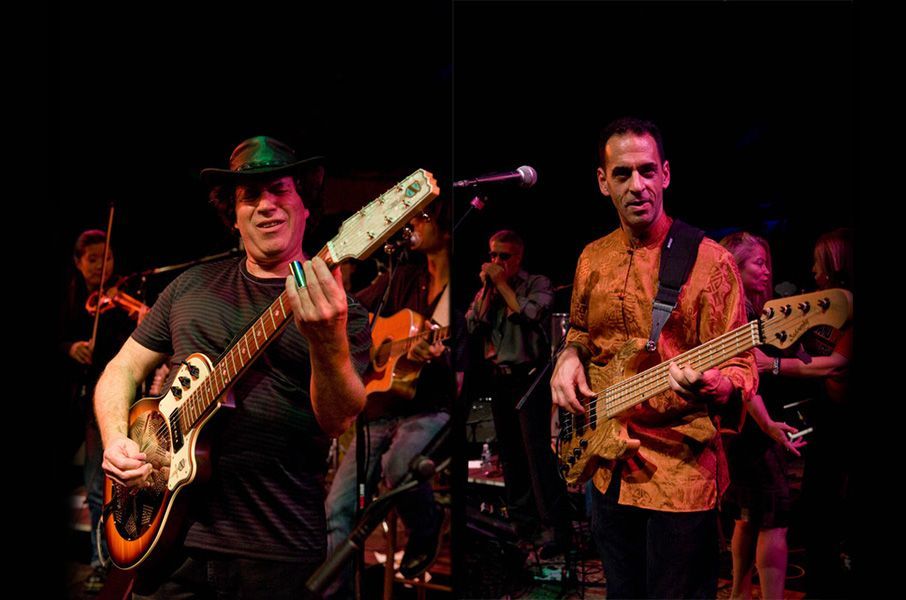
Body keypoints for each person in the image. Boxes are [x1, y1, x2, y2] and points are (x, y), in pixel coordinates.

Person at [94, 136, 372, 599]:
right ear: (234, 216)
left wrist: (329, 343)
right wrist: (115, 439)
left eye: (280, 190)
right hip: (171, 544)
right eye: (250, 195)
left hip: (276, 550)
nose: (266, 205)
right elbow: (119, 370)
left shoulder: (343, 312)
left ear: (305, 206)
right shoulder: (189, 288)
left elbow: (339, 418)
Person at [550, 117, 758, 598]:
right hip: (605, 466)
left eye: (647, 171)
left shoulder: (710, 262)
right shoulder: (591, 258)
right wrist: (568, 357)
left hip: (680, 473)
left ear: (666, 174)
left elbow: (742, 365)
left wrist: (717, 385)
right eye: (622, 174)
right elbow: (581, 331)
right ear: (603, 182)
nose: (637, 185)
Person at [324, 197, 453, 598]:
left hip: (431, 409)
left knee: (400, 465)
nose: (413, 223)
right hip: (380, 409)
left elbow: (471, 352)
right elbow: (359, 312)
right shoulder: (403, 275)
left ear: (447, 229)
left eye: (423, 216)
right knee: (336, 509)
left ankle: (426, 529)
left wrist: (440, 354)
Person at [751, 227, 854, 598]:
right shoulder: (819, 303)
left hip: (847, 424)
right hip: (829, 420)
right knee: (815, 513)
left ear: (836, 265)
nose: (813, 270)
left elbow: (838, 364)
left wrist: (775, 366)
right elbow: (809, 354)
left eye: (819, 262)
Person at [465, 229, 573, 555]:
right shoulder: (489, 291)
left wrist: (501, 285)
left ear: (518, 258)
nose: (496, 262)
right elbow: (472, 325)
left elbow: (530, 314)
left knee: (536, 455)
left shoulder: (536, 284)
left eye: (504, 256)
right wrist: (488, 290)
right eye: (493, 255)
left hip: (530, 379)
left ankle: (555, 530)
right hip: (500, 379)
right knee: (510, 458)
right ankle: (522, 528)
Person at [720, 232, 806, 600]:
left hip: (746, 427)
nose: (767, 270)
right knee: (774, 517)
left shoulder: (755, 310)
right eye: (758, 262)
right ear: (735, 268)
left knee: (749, 514)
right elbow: (746, 378)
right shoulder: (738, 313)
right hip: (751, 428)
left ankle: (740, 594)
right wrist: (768, 425)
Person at [59, 229, 136, 593]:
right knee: (90, 485)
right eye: (93, 260)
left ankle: (110, 562)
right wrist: (70, 347)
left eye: (107, 258)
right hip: (79, 398)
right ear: (77, 262)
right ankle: (96, 560)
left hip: (113, 405)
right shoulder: (70, 299)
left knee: (103, 484)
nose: (102, 267)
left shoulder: (125, 298)